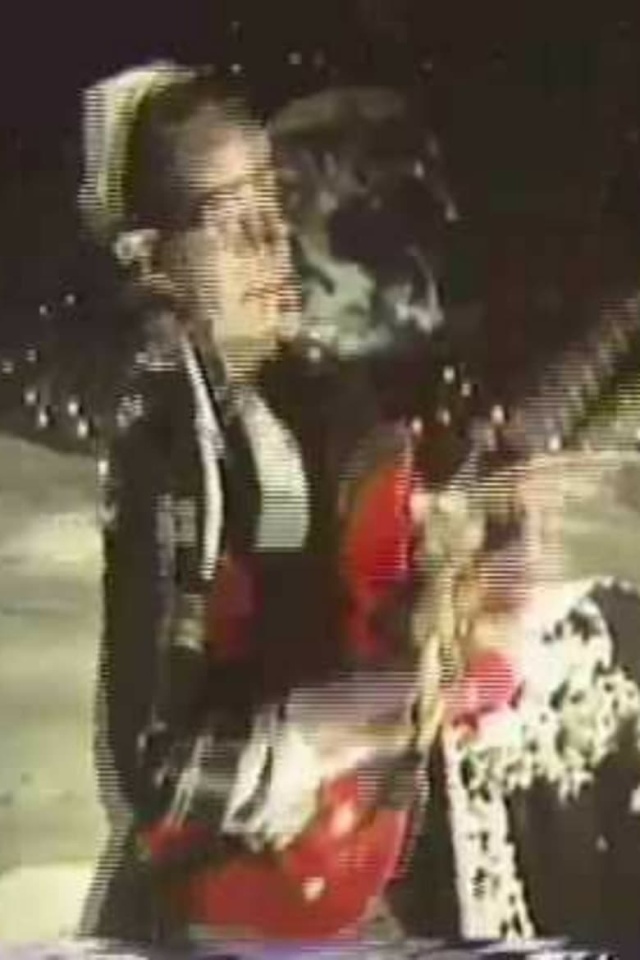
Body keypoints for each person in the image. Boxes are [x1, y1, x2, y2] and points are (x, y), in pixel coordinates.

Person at [80, 65, 640, 946]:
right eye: (231, 217)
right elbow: (160, 769)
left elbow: (408, 639)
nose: (273, 239)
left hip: (348, 903)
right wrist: (352, 718)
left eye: (274, 203)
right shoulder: (177, 450)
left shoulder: (324, 417)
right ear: (153, 263)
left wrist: (473, 604)